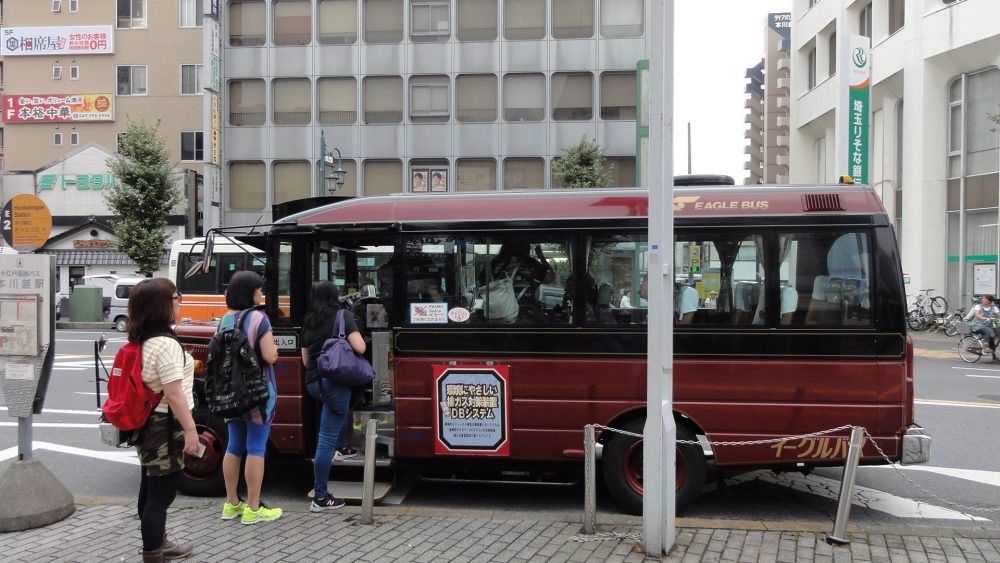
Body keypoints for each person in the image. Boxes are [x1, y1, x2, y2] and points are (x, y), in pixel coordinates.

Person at [128, 278, 197, 563]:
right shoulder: (166, 344)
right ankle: (154, 553)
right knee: (162, 495)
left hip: (147, 422)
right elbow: (173, 393)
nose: (179, 302)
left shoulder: (142, 338)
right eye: (176, 297)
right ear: (162, 304)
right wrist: (191, 430)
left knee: (149, 486)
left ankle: (159, 543)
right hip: (165, 425)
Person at [218, 271, 282, 525]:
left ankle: (232, 503)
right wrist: (274, 347)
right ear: (250, 292)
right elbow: (270, 357)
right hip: (257, 393)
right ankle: (253, 508)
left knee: (233, 445)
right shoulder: (260, 319)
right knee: (256, 448)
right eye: (259, 290)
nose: (261, 294)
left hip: (230, 393)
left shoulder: (225, 319)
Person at [299, 281, 367, 511]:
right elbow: (360, 348)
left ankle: (343, 446)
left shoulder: (308, 321)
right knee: (326, 441)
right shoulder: (342, 316)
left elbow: (306, 360)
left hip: (314, 383)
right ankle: (320, 497)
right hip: (334, 383)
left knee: (328, 423)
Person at [489, 241, 555, 318]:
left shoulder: (494, 263)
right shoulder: (529, 263)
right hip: (524, 315)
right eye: (527, 244)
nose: (529, 247)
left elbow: (482, 284)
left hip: (498, 314)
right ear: (523, 247)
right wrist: (542, 258)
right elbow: (550, 278)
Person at [966, 294, 1000, 361]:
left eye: (984, 299)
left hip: (988, 325)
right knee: (987, 331)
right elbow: (977, 314)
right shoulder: (978, 306)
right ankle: (985, 346)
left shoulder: (994, 308)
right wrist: (981, 317)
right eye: (983, 298)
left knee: (992, 338)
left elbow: (999, 315)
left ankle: (994, 356)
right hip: (977, 325)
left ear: (989, 301)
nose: (982, 300)